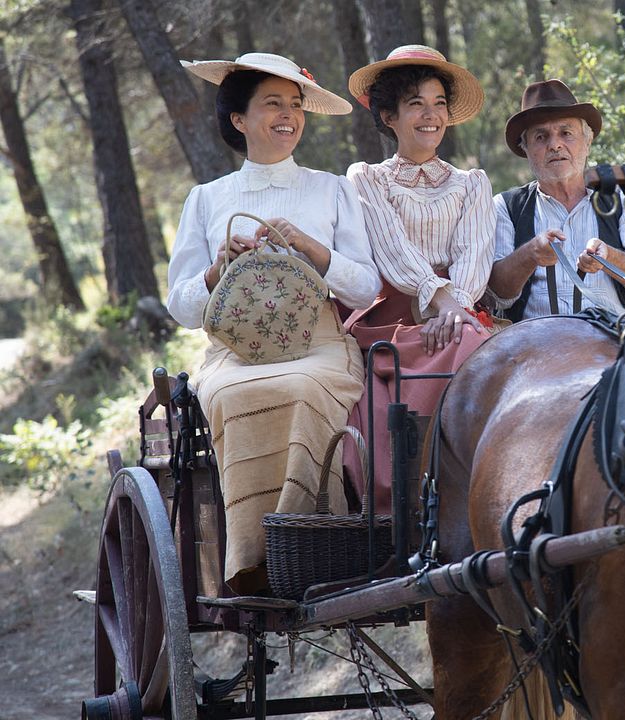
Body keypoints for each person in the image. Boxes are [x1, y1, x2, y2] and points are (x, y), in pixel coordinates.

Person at [167, 52, 381, 594]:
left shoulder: (331, 188)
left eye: (295, 105)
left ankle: (306, 544)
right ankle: (252, 558)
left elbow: (366, 287)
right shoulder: (208, 199)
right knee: (234, 395)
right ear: (239, 119)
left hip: (320, 344)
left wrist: (312, 249)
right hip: (234, 352)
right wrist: (218, 269)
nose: (288, 116)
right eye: (272, 104)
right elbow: (183, 307)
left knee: (305, 387)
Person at [343, 45, 494, 498]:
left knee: (474, 345)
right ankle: (408, 493)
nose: (431, 115)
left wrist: (456, 307)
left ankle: (476, 483)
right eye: (416, 104)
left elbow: (475, 252)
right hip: (393, 315)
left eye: (439, 103)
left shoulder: (472, 183)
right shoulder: (368, 178)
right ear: (388, 116)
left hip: (458, 312)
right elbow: (392, 249)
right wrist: (438, 299)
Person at [486, 79, 625, 321]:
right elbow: (495, 293)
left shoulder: (621, 202)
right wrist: (531, 254)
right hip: (534, 348)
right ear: (525, 149)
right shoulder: (506, 207)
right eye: (540, 137)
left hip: (613, 342)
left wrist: (609, 258)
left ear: (587, 142)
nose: (555, 144)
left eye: (566, 133)